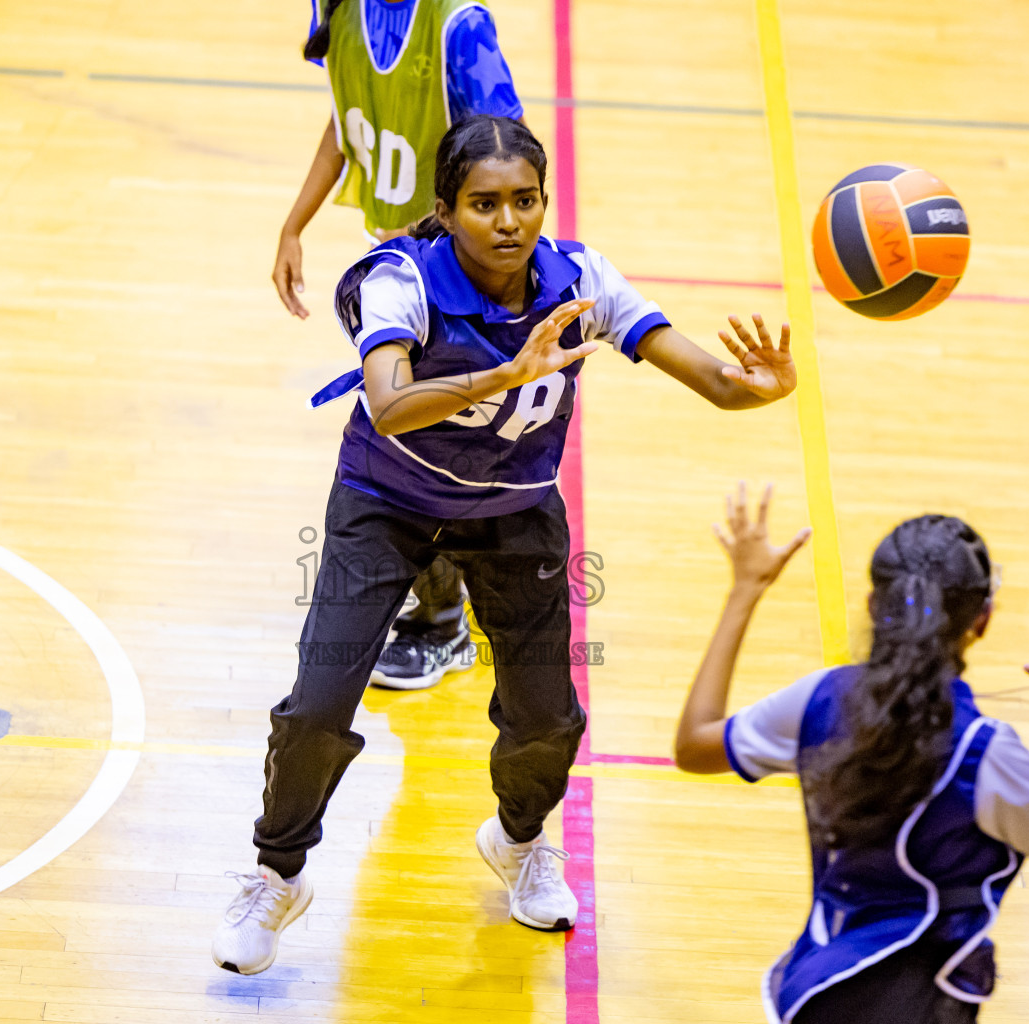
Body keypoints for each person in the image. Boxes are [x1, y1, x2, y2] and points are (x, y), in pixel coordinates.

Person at [212, 114, 799, 976]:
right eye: (485, 203)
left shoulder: (582, 279)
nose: (508, 220)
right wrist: (502, 375)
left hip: (513, 512)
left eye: (525, 200)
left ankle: (518, 841)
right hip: (386, 502)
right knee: (316, 704)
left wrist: (758, 389)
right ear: (446, 210)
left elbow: (709, 379)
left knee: (546, 716)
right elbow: (390, 404)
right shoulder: (399, 279)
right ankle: (278, 873)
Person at [674, 484, 1029, 1023]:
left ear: (873, 605)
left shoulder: (820, 700)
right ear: (981, 621)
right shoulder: (985, 755)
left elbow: (694, 744)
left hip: (813, 991)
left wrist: (746, 589)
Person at [274, 0, 525, 690]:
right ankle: (456, 600)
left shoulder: (456, 25)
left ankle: (444, 624)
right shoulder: (343, 12)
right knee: (419, 444)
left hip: (454, 268)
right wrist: (296, 222)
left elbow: (510, 150)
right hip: (399, 266)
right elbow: (350, 113)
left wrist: (439, 245)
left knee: (416, 449)